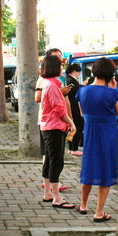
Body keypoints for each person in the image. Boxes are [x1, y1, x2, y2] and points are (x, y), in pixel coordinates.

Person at [76, 58, 118, 222]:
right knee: (106, 170)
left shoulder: (82, 91)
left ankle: (83, 204)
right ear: (110, 74)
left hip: (90, 132)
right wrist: (114, 89)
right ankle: (99, 212)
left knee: (88, 166)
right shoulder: (113, 93)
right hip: (108, 132)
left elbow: (82, 114)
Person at [40, 54, 76, 209]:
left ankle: (48, 193)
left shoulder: (50, 84)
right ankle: (56, 197)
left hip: (49, 126)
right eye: (61, 65)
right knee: (56, 161)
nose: (62, 68)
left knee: (49, 160)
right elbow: (59, 109)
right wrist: (71, 123)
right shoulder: (52, 86)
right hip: (54, 127)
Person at [65, 63, 83, 156]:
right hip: (74, 108)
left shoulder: (67, 79)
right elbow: (78, 91)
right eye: (78, 72)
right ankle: (74, 148)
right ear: (75, 71)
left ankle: (71, 148)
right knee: (78, 127)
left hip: (70, 107)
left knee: (71, 128)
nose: (79, 74)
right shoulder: (71, 81)